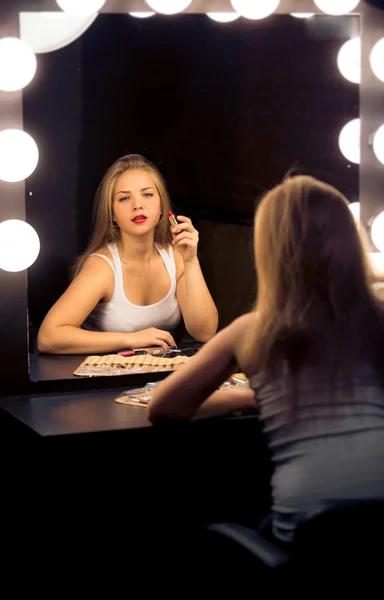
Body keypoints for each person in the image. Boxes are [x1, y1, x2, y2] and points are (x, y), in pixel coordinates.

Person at [148, 175, 384, 543]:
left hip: (307, 532)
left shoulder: (253, 331)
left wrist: (249, 396)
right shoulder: (377, 319)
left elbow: (164, 407)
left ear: (270, 250)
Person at [38, 154, 218, 354]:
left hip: (155, 379)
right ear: (113, 214)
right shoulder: (103, 267)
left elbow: (205, 332)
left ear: (161, 208)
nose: (137, 205)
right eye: (124, 198)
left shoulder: (176, 256)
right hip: (103, 378)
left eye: (147, 194)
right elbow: (48, 337)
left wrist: (191, 260)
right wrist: (131, 339)